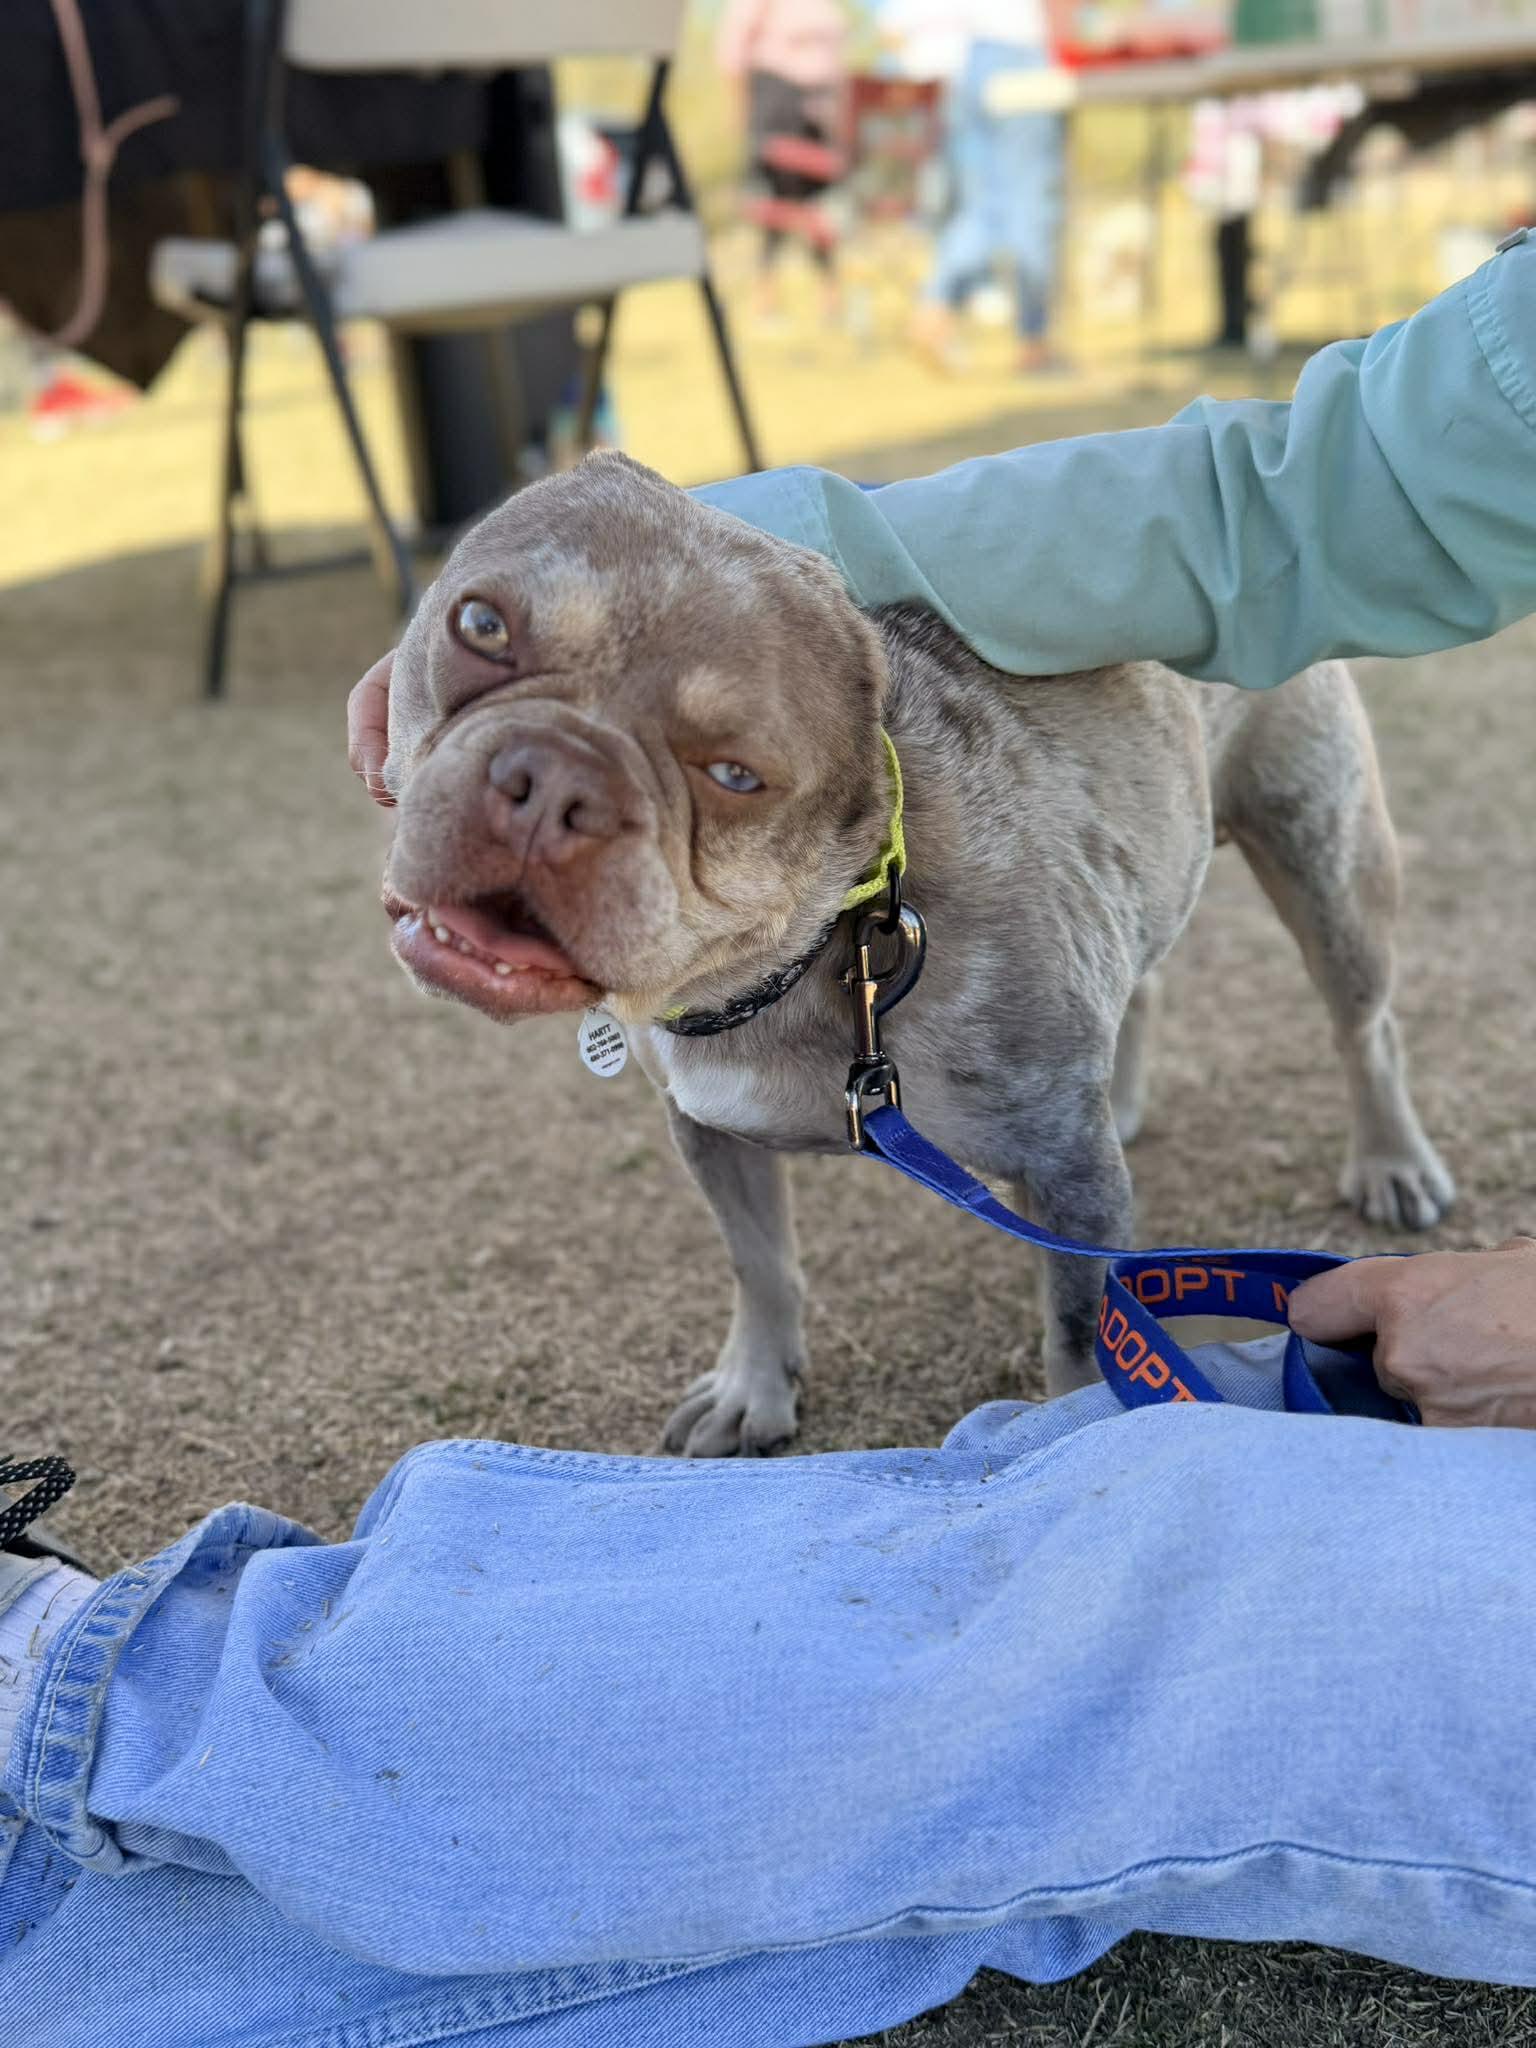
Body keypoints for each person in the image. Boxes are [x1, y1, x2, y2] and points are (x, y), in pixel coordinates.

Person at [10, 240, 1536, 2045]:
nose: (544, 781)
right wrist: (698, 559)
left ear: (843, 815)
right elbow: (1291, 498)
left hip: (1102, 863)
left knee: (1168, 1594)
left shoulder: (954, 936)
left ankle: (106, 1721)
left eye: (725, 778)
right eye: (486, 644)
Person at [894, 0, 1068, 374]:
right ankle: (1034, 343)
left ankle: (933, 308)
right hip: (1020, 55)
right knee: (1030, 204)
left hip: (976, 61)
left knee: (985, 207)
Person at [716, 0, 849, 326]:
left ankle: (830, 294)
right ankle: (766, 294)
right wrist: (740, 106)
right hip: (776, 95)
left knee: (819, 201)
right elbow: (733, 43)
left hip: (820, 103)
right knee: (777, 197)